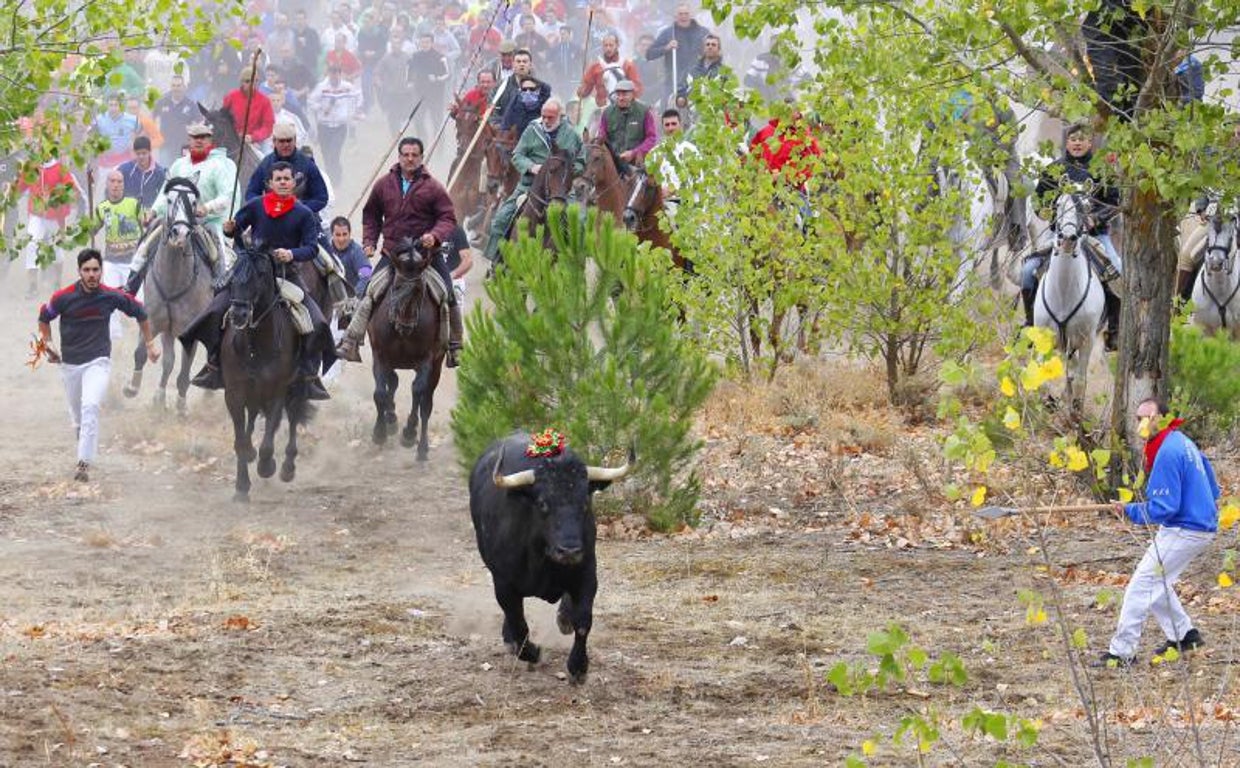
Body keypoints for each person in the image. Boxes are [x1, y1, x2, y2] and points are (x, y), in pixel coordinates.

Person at [185, 161, 333, 400]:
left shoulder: (304, 214)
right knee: (216, 307)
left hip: (287, 274)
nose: (283, 182)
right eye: (279, 179)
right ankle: (213, 363)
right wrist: (229, 229)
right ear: (269, 183)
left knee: (316, 321)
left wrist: (292, 254)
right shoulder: (255, 205)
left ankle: (308, 374)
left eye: (287, 179)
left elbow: (312, 248)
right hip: (251, 270)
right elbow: (235, 229)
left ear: (294, 183)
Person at [1097, 398, 1219, 667]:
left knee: (1141, 586)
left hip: (1188, 529)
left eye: (1148, 417)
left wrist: (1129, 511)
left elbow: (1163, 508)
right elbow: (1213, 487)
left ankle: (1122, 653)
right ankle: (1185, 636)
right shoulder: (1181, 441)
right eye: (1138, 417)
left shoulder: (1167, 451)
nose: (1143, 422)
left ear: (1162, 419)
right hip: (1191, 524)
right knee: (1157, 584)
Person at [37, 248, 160, 482]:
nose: (92, 274)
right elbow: (44, 317)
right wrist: (48, 344)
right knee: (78, 418)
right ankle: (82, 439)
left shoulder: (110, 295)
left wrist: (151, 343)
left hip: (98, 362)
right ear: (79, 272)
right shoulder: (63, 297)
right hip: (70, 365)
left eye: (96, 270)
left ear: (102, 271)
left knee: (90, 406)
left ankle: (83, 464)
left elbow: (140, 312)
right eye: (87, 270)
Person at [334, 137, 461, 366]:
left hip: (427, 256)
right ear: (399, 156)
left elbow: (447, 217)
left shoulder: (433, 187)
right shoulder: (384, 184)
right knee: (368, 293)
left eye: (414, 155)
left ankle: (455, 346)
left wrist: (435, 235)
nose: (410, 159)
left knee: (449, 294)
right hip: (393, 254)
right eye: (406, 154)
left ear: (421, 157)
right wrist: (370, 240)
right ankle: (351, 340)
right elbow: (371, 214)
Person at [1028, 122, 1123, 349]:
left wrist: (1095, 219)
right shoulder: (1053, 170)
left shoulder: (1102, 171)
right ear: (1067, 142)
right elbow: (1038, 199)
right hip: (1058, 237)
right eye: (1073, 139)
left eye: (1082, 139)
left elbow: (1115, 202)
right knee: (1026, 272)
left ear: (1090, 143)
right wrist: (1046, 212)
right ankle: (1030, 325)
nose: (1077, 143)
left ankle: (1114, 331)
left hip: (1095, 236)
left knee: (1118, 272)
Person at [129, 120, 238, 293]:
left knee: (220, 254)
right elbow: (166, 194)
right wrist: (154, 211)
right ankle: (132, 283)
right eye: (195, 137)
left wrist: (207, 208)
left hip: (208, 221)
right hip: (177, 219)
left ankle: (221, 287)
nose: (199, 141)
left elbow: (227, 196)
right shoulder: (179, 164)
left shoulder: (219, 166)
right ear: (189, 140)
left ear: (210, 141)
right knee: (147, 242)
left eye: (203, 137)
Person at [483, 98, 584, 263]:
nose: (545, 120)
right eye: (543, 116)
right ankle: (497, 263)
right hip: (530, 186)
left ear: (560, 116)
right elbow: (517, 155)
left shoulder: (572, 135)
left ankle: (577, 265)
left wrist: (568, 172)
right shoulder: (532, 131)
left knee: (580, 221)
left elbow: (581, 160)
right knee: (501, 219)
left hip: (560, 189)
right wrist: (531, 167)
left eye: (550, 117)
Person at [20, 156, 82, 299]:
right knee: (31, 245)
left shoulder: (61, 168)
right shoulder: (31, 165)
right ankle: (32, 286)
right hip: (37, 215)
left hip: (56, 217)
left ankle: (56, 284)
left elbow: (72, 192)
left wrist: (57, 197)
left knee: (57, 253)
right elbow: (19, 187)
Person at [93, 170, 144, 337]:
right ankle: (114, 337)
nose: (116, 185)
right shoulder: (101, 208)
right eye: (112, 181)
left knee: (139, 301)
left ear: (123, 185)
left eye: (119, 182)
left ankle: (142, 334)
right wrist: (86, 228)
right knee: (109, 299)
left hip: (132, 263)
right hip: (111, 262)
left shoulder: (134, 204)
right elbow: (91, 230)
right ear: (107, 184)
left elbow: (146, 225)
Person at [245, 122, 329, 214]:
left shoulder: (307, 164)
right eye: (281, 141)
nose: (286, 145)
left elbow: (321, 197)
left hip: (303, 219)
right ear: (274, 142)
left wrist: (301, 210)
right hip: (272, 217)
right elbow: (251, 193)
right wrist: (264, 208)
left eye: (289, 140)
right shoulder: (265, 164)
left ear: (295, 140)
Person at [308, 65, 363, 185]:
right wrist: (321, 108)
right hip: (324, 126)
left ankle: (335, 180)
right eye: (332, 73)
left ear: (341, 74)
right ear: (328, 74)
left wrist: (355, 110)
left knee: (334, 153)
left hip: (340, 126)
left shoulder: (347, 86)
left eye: (337, 73)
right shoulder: (321, 87)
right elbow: (311, 101)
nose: (334, 76)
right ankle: (330, 178)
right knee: (326, 155)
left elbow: (358, 96)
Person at [645, 3, 711, 100]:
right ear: (675, 16)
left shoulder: (703, 32)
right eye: (680, 14)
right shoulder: (668, 33)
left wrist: (706, 50)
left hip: (698, 80)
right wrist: (667, 47)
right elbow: (649, 54)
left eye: (686, 13)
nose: (683, 16)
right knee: (668, 110)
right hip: (673, 81)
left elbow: (716, 52)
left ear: (691, 15)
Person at [597, 80, 657, 174]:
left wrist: (634, 153)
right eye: (618, 94)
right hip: (613, 164)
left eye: (624, 94)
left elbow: (651, 138)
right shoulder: (607, 113)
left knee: (654, 184)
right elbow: (601, 138)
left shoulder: (644, 112)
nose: (621, 98)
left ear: (633, 94)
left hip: (638, 164)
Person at [577, 33, 643, 110]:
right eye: (606, 45)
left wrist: (626, 94)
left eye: (611, 45)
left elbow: (638, 89)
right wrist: (582, 90)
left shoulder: (627, 65)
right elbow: (585, 89)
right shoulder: (595, 67)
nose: (608, 48)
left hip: (624, 109)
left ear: (617, 45)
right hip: (602, 109)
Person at [407, 33, 451, 141]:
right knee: (417, 119)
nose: (424, 44)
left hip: (436, 95)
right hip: (420, 94)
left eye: (427, 42)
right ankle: (423, 140)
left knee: (437, 122)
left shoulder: (439, 57)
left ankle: (438, 145)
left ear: (432, 43)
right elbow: (409, 70)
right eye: (422, 42)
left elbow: (448, 74)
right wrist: (409, 82)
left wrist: (437, 78)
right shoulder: (415, 56)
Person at [222, 69, 276, 154]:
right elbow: (223, 119)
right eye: (247, 81)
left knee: (267, 157)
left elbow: (268, 126)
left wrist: (253, 137)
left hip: (258, 142)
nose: (251, 84)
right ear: (241, 82)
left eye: (255, 81)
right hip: (233, 140)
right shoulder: (231, 97)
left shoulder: (264, 101)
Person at [153, 75, 199, 168]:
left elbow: (199, 123)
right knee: (166, 173)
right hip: (165, 146)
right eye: (174, 85)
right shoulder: (162, 102)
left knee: (182, 174)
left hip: (183, 147)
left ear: (184, 87)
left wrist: (192, 130)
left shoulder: (191, 104)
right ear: (170, 86)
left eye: (178, 85)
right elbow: (151, 119)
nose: (176, 88)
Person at [117, 136, 167, 210]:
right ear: (134, 153)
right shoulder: (124, 170)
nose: (141, 157)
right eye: (138, 154)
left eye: (144, 153)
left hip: (150, 215)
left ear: (150, 152)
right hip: (127, 214)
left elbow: (163, 197)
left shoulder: (159, 172)